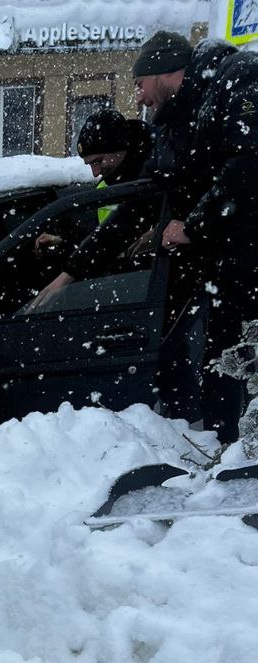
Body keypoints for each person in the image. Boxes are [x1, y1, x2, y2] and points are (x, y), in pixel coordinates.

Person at [33, 32, 258, 443]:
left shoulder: (238, 79)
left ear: (164, 71)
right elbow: (139, 206)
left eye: (139, 84)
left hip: (248, 265)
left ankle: (237, 459)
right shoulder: (171, 127)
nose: (137, 97)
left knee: (240, 369)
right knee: (221, 369)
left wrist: (190, 227)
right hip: (223, 271)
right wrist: (73, 269)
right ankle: (227, 452)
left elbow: (247, 168)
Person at [33, 109, 152, 264]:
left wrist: (157, 235)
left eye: (99, 161)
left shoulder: (159, 175)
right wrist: (61, 241)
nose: (95, 173)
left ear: (120, 147)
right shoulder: (106, 186)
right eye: (90, 164)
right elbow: (100, 238)